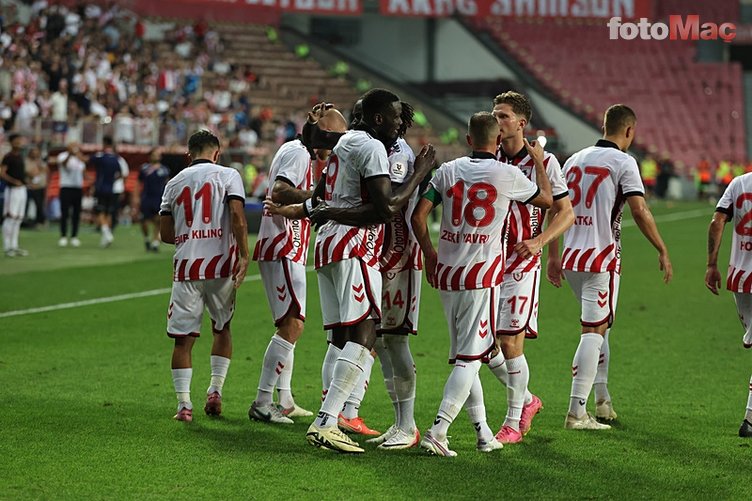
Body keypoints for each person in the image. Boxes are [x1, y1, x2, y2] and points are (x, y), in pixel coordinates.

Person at [298, 88, 434, 453]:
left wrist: (330, 210)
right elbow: (387, 207)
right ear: (377, 119)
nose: (399, 123)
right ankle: (327, 420)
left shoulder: (344, 143)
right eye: (394, 117)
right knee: (367, 332)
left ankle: (337, 418)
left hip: (328, 245)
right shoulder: (373, 147)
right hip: (355, 247)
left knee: (344, 337)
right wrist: (420, 172)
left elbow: (320, 181)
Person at [411, 112, 552, 456]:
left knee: (467, 353)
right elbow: (547, 200)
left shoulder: (448, 170)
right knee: (471, 359)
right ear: (498, 140)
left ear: (468, 140)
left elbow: (418, 216)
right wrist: (538, 162)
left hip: (447, 274)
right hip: (482, 276)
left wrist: (429, 253)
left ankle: (483, 432)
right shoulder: (507, 174)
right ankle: (439, 430)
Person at [548, 104, 672, 430]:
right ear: (629, 131)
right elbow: (640, 210)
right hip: (600, 257)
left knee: (601, 327)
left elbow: (555, 209)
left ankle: (602, 402)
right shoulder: (623, 161)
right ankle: (577, 411)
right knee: (593, 332)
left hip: (571, 257)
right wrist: (661, 248)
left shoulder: (574, 159)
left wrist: (553, 256)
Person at [249, 107, 348, 425]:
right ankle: (263, 401)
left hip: (288, 246)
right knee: (292, 325)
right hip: (283, 245)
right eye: (334, 141)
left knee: (290, 324)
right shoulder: (298, 154)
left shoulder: (295, 150)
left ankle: (285, 400)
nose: (333, 150)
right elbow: (279, 190)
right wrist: (320, 194)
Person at [488, 91, 574, 444]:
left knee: (510, 342)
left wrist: (541, 244)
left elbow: (565, 213)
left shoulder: (546, 161)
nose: (497, 121)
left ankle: (512, 424)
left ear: (521, 123)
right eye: (494, 115)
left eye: (503, 116)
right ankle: (527, 400)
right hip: (489, 261)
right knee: (484, 346)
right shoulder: (489, 156)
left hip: (522, 264)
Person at [159, 129, 249, 422]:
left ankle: (184, 405)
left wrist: (191, 232)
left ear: (189, 155)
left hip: (187, 268)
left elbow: (165, 234)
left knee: (183, 340)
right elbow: (237, 216)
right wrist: (244, 254)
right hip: (221, 265)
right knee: (221, 328)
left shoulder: (174, 183)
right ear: (217, 153)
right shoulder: (229, 175)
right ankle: (215, 390)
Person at [705, 172, 752, 437]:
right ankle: (750, 418)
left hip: (741, 280)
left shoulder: (739, 183)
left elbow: (717, 221)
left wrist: (712, 264)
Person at [135, 148, 170, 252]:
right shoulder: (144, 168)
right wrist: (136, 197)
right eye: (154, 155)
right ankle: (146, 239)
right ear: (150, 156)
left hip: (159, 198)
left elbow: (167, 184)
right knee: (144, 221)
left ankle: (155, 242)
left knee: (158, 220)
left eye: (158, 155)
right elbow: (138, 183)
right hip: (146, 198)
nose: (156, 157)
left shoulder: (164, 170)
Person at [91, 136, 122, 247]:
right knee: (108, 212)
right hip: (111, 189)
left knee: (100, 211)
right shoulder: (116, 159)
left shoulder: (101, 156)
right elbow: (119, 173)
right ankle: (105, 237)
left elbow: (89, 160)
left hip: (100, 189)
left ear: (104, 143)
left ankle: (106, 233)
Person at [1, 134, 28, 257]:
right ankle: (7, 246)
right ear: (11, 142)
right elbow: (2, 173)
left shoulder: (20, 156)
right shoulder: (8, 157)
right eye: (17, 141)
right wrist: (13, 181)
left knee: (18, 218)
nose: (19, 143)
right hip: (12, 190)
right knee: (10, 217)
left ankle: (14, 245)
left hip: (22, 189)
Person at [57, 142, 87, 247]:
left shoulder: (79, 158)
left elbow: (83, 171)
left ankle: (74, 236)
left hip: (77, 188)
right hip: (66, 187)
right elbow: (64, 165)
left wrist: (80, 157)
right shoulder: (63, 156)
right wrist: (70, 155)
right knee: (65, 213)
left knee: (76, 213)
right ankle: (63, 236)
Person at [25, 146, 48, 228]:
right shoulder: (27, 161)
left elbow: (45, 170)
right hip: (31, 186)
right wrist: (37, 170)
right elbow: (29, 172)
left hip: (41, 186)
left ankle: (40, 221)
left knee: (40, 204)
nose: (35, 154)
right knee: (29, 204)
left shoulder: (41, 161)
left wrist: (39, 166)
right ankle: (26, 221)